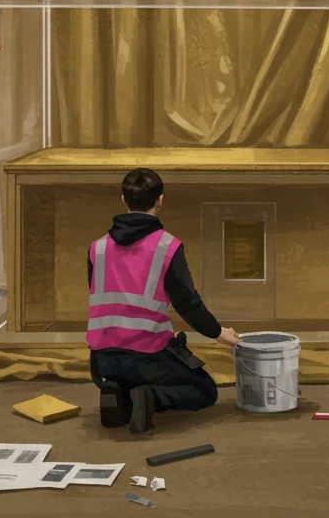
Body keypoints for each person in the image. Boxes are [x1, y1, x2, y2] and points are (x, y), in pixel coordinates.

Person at [87, 168, 242, 434]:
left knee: (130, 376)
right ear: (160, 199)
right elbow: (187, 301)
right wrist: (217, 333)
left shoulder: (97, 248)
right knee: (203, 390)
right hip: (148, 356)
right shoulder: (166, 247)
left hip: (103, 359)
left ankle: (118, 393)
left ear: (123, 199)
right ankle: (150, 398)